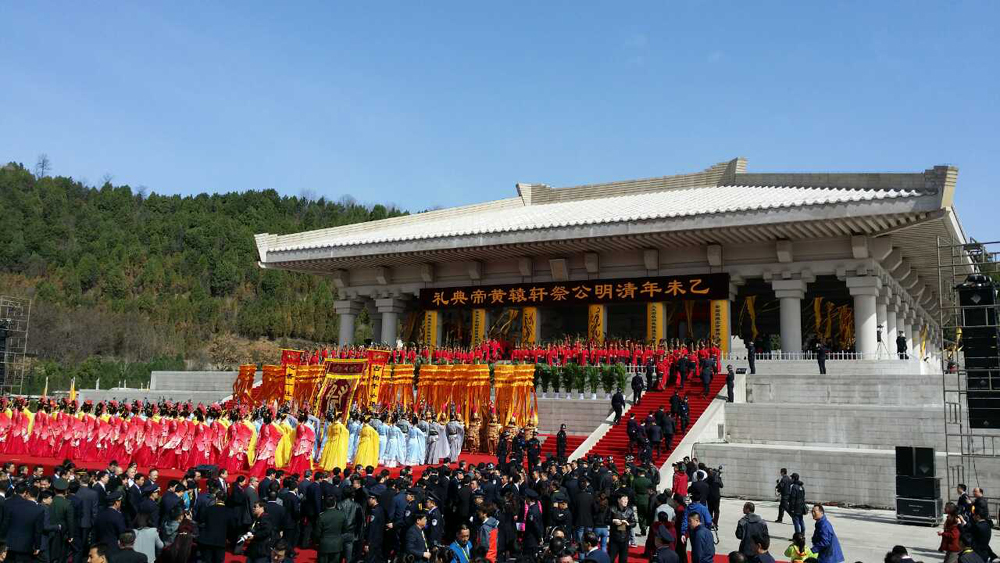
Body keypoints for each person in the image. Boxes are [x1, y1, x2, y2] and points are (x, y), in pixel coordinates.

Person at [0, 483, 44, 563]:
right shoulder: (38, 509)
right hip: (26, 546)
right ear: (25, 493)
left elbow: (4, 524)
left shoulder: (9, 504)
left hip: (9, 544)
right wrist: (37, 546)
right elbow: (38, 531)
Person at [197, 490, 229, 563]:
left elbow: (201, 520)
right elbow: (232, 527)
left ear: (216, 498)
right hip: (220, 541)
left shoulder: (208, 509)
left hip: (207, 539)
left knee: (206, 560)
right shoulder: (229, 512)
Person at [316, 497, 346, 563]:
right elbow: (344, 529)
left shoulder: (321, 516)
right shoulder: (342, 515)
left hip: (324, 544)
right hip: (337, 544)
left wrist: (317, 541)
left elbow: (317, 533)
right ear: (335, 504)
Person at [608, 494, 636, 563]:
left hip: (625, 539)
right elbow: (606, 520)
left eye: (627, 499)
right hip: (614, 539)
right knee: (610, 559)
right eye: (624, 499)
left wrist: (628, 524)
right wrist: (613, 521)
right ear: (618, 500)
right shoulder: (612, 509)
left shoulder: (630, 510)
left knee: (623, 560)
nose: (626, 501)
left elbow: (634, 523)